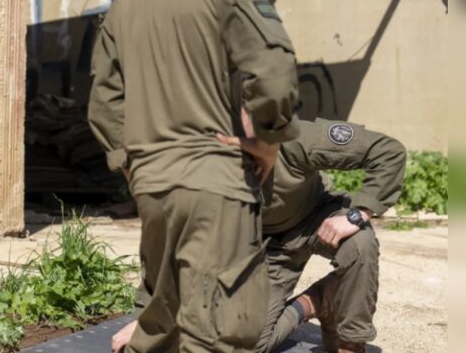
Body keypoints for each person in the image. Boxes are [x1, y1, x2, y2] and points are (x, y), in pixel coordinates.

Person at [88, 0, 301, 351]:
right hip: (215, 187)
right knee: (222, 333)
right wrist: (267, 142)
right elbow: (274, 76)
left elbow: (102, 99)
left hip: (153, 189)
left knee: (163, 327)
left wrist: (132, 162)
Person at [112, 118, 406, 353]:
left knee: (359, 242)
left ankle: (350, 343)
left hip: (315, 217)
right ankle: (319, 300)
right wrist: (145, 321)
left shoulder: (292, 136)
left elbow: (387, 151)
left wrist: (358, 213)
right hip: (266, 248)